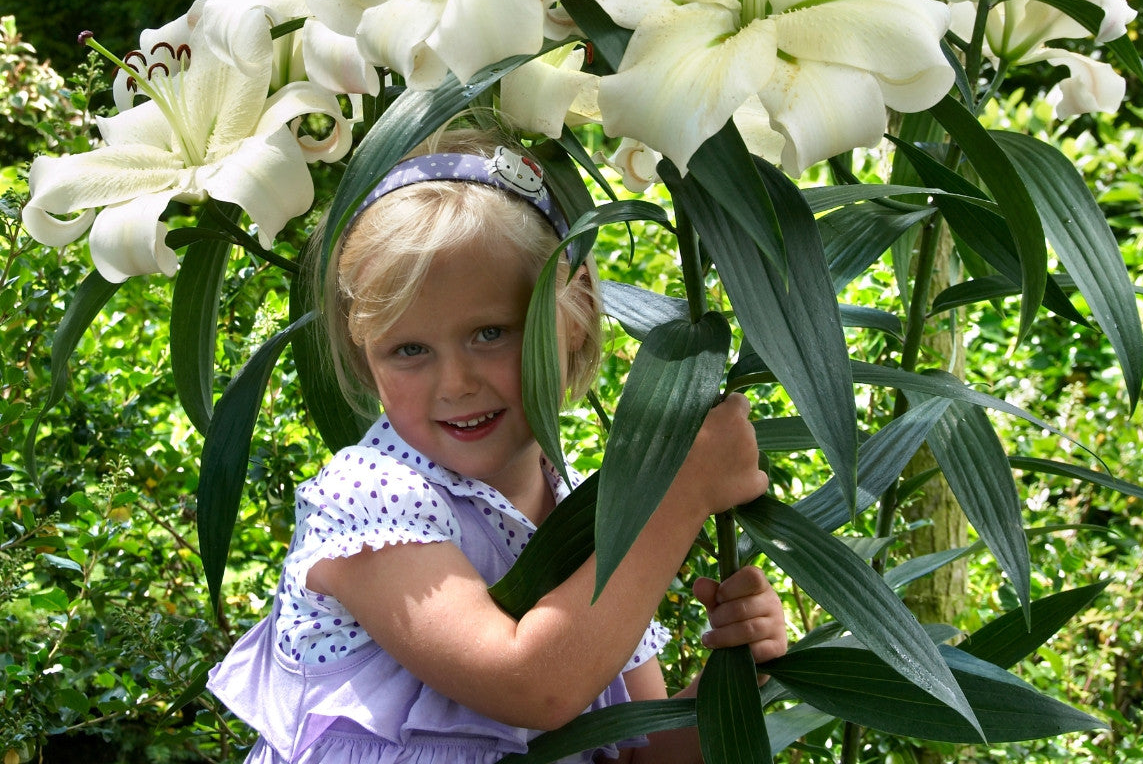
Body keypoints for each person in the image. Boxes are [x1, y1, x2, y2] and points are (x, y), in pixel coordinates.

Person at [207, 125, 787, 763]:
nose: (455, 383)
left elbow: (637, 754)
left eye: (490, 333)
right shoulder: (370, 500)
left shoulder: (583, 516)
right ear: (364, 356)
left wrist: (734, 676)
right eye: (409, 350)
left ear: (575, 315)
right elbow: (532, 686)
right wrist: (681, 493)